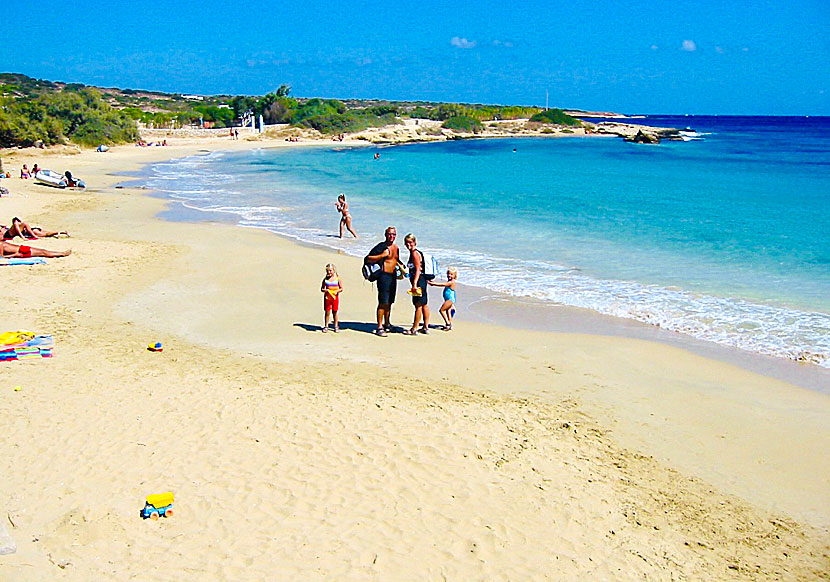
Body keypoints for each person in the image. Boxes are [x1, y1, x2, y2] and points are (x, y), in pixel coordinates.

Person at [365, 226, 401, 337]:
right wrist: (382, 255)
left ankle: (387, 323)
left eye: (394, 234)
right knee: (383, 302)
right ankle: (379, 326)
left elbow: (396, 260)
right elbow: (368, 258)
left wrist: (402, 269)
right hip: (383, 276)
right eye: (390, 234)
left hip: (393, 277)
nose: (392, 236)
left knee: (390, 302)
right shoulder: (381, 247)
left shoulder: (396, 248)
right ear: (385, 235)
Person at [402, 233, 430, 335]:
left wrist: (414, 284)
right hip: (422, 280)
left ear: (414, 242)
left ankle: (414, 329)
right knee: (424, 304)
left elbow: (418, 269)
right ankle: (425, 327)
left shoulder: (414, 254)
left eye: (410, 242)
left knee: (418, 305)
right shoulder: (417, 253)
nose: (408, 244)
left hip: (418, 281)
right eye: (406, 242)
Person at [320, 263, 343, 333]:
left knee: (335, 312)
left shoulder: (337, 279)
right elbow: (322, 288)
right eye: (327, 271)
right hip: (327, 298)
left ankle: (336, 326)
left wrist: (336, 291)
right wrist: (325, 290)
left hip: (335, 298)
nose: (329, 272)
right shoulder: (325, 279)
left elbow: (341, 288)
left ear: (334, 270)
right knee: (327, 312)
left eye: (330, 271)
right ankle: (326, 325)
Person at [0, 240, 71, 258]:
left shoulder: (1, 242)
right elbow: (2, 257)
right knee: (43, 252)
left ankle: (61, 253)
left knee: (43, 251)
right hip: (22, 251)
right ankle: (62, 254)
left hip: (22, 248)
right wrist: (15, 255)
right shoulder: (0, 244)